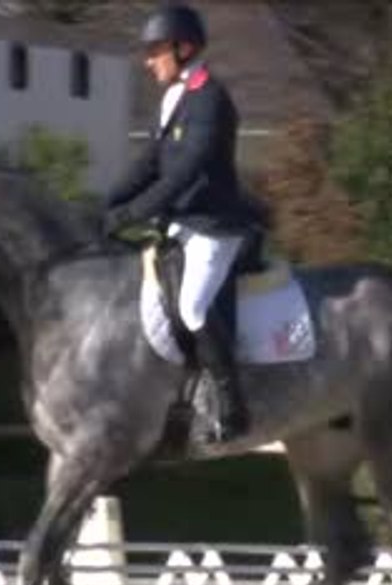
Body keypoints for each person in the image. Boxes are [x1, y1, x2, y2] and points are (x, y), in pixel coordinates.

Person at [103, 1, 252, 443]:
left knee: (191, 307)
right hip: (181, 224)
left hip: (213, 226)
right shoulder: (174, 97)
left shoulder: (211, 98)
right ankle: (176, 399)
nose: (148, 61)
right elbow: (151, 162)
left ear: (184, 49)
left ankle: (231, 405)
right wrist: (107, 200)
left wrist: (132, 213)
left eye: (156, 51)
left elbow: (186, 170)